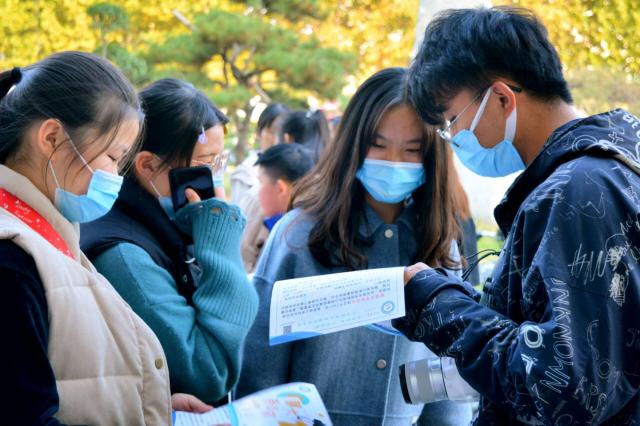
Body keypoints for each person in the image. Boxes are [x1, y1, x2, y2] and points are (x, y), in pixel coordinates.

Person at [398, 6, 640, 424]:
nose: (452, 138)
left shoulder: (580, 189)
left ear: (501, 98)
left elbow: (568, 390)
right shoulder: (610, 167)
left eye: (452, 120)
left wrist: (440, 306)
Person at [238, 67, 473, 425]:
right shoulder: (299, 237)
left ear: (431, 156)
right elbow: (260, 371)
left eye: (412, 150)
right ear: (353, 143)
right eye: (378, 145)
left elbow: (446, 378)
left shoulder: (439, 243)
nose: (393, 161)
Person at [0, 52, 211, 425]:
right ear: (51, 138)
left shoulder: (44, 231)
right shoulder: (11, 259)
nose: (115, 176)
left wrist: (150, 406)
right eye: (113, 157)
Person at [81, 78, 259, 405]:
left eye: (220, 161)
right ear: (148, 165)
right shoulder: (124, 255)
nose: (216, 179)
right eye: (205, 164)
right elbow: (209, 374)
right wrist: (220, 243)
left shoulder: (165, 227)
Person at [241, 143, 314, 272]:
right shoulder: (309, 214)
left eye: (260, 182)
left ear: (281, 189)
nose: (257, 191)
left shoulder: (292, 234)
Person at [231, 102, 290, 204]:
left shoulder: (295, 169)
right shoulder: (245, 173)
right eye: (271, 131)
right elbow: (238, 211)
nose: (276, 139)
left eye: (281, 133)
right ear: (259, 133)